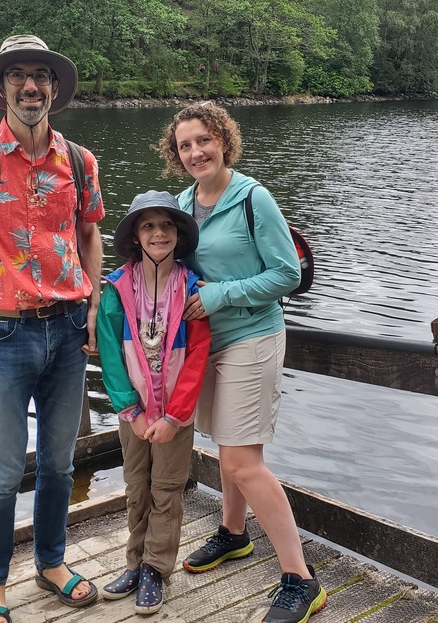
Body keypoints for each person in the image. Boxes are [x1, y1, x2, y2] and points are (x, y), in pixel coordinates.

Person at [0, 35, 105, 623]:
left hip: (65, 333)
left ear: (54, 89)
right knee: (4, 471)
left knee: (59, 463)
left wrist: (93, 304)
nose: (31, 86)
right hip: (1, 337)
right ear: (2, 89)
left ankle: (52, 562)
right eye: (19, 76)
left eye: (41, 76)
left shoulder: (80, 163)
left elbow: (89, 235)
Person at [157, 101, 327, 623]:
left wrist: (221, 296)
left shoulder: (254, 198)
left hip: (252, 337)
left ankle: (301, 580)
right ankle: (234, 535)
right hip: (206, 344)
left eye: (203, 140)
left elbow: (287, 275)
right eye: (185, 145)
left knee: (240, 462)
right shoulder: (184, 202)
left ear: (224, 141)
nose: (195, 152)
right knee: (227, 445)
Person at [96, 190, 211, 615]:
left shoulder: (194, 289)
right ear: (135, 236)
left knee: (167, 489)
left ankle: (155, 569)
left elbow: (198, 355)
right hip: (135, 413)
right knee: (136, 485)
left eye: (166, 225)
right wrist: (132, 409)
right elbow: (109, 353)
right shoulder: (116, 288)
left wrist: (176, 415)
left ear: (178, 235)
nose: (158, 233)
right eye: (148, 225)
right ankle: (134, 562)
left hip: (175, 416)